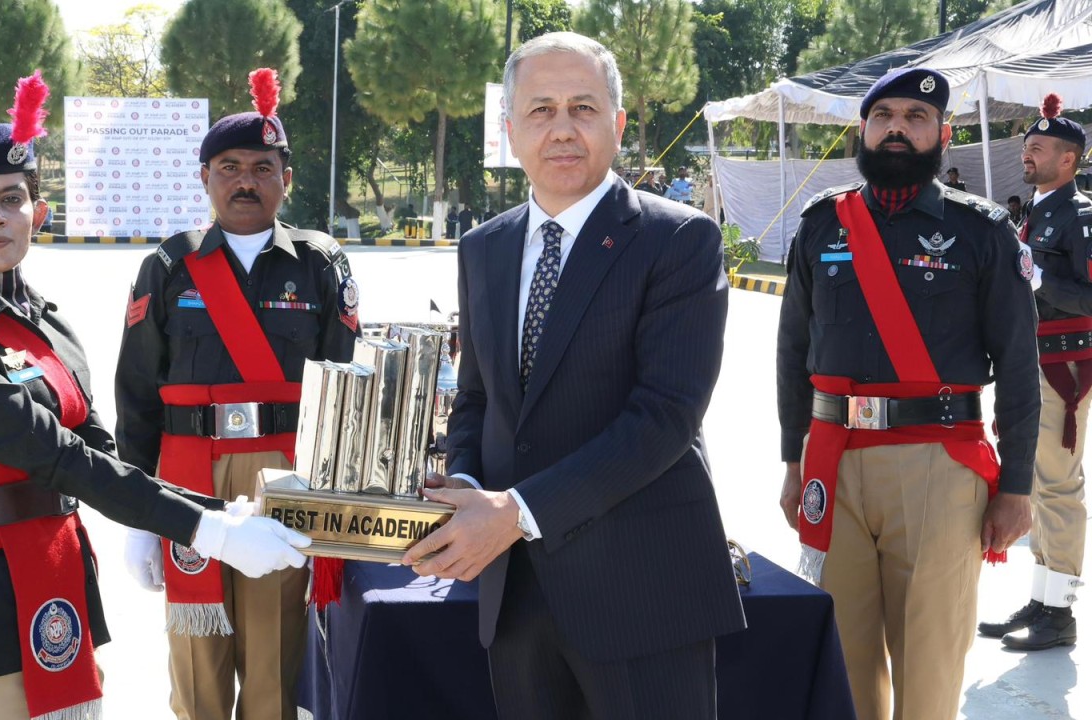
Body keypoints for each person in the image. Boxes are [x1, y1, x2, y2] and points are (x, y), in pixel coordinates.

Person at [0, 72, 309, 720]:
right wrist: (209, 527)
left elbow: (102, 451)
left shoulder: (48, 325)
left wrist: (211, 510)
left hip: (58, 583)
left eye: (10, 198)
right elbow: (59, 457)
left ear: (39, 211)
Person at [401, 32, 745, 720]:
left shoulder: (679, 241)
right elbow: (477, 399)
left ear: (617, 125)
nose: (562, 129)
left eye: (583, 108)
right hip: (518, 598)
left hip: (643, 594)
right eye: (541, 110)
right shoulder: (484, 247)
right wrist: (463, 486)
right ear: (509, 130)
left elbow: (664, 418)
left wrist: (514, 514)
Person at [776, 68, 1038, 720]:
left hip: (938, 466)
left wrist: (1018, 485)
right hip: (833, 461)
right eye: (884, 115)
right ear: (863, 130)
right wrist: (792, 461)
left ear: (941, 134)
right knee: (842, 664)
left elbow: (1018, 365)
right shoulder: (819, 225)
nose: (897, 127)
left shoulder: (981, 232)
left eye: (915, 117)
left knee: (928, 668)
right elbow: (791, 353)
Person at [114, 68, 360, 720]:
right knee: (196, 654)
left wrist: (334, 499)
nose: (245, 180)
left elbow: (343, 388)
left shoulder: (320, 262)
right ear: (205, 176)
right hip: (187, 473)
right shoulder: (168, 265)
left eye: (262, 166)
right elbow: (137, 394)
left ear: (286, 177)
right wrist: (138, 513)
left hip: (285, 475)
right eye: (229, 166)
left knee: (275, 648)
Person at [978, 93, 1089, 651]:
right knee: (1041, 484)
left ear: (1068, 159)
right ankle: (1044, 596)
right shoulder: (1037, 208)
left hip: (1064, 363)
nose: (1028, 152)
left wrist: (1042, 282)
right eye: (1027, 145)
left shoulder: (1081, 214)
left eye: (1039, 147)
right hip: (1034, 359)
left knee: (1059, 486)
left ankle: (1060, 609)